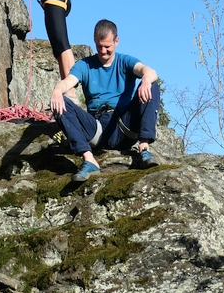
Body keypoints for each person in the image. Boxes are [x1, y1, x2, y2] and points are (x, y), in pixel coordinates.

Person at [49, 18, 160, 181]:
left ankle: (144, 148)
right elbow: (67, 82)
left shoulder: (125, 61)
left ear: (116, 41)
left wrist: (145, 80)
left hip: (125, 126)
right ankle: (89, 159)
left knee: (152, 84)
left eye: (107, 46)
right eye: (99, 46)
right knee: (61, 103)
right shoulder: (84, 65)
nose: (103, 51)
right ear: (94, 41)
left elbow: (148, 71)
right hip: (98, 129)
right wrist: (57, 91)